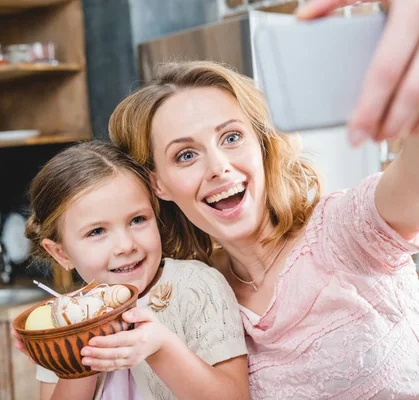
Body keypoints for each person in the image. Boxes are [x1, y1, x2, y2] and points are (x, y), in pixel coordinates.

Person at [103, 1, 419, 397]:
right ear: (159, 185)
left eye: (231, 137)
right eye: (186, 155)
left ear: (262, 147)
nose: (218, 166)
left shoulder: (345, 230)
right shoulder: (200, 295)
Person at [22, 141, 249, 400]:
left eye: (138, 220)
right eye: (97, 231)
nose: (126, 246)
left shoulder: (197, 286)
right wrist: (74, 355)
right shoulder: (62, 319)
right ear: (61, 253)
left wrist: (161, 348)